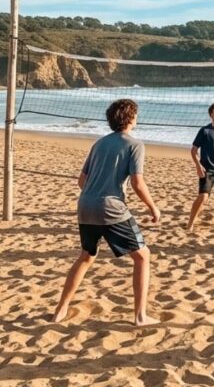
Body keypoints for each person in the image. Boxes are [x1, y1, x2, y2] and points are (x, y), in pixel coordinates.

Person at [53, 98, 160, 326]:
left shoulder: (99, 143)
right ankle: (140, 316)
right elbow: (137, 183)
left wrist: (97, 191)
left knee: (86, 256)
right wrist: (153, 207)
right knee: (143, 256)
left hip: (85, 206)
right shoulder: (135, 144)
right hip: (110, 208)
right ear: (131, 118)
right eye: (136, 115)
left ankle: (60, 310)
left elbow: (82, 180)